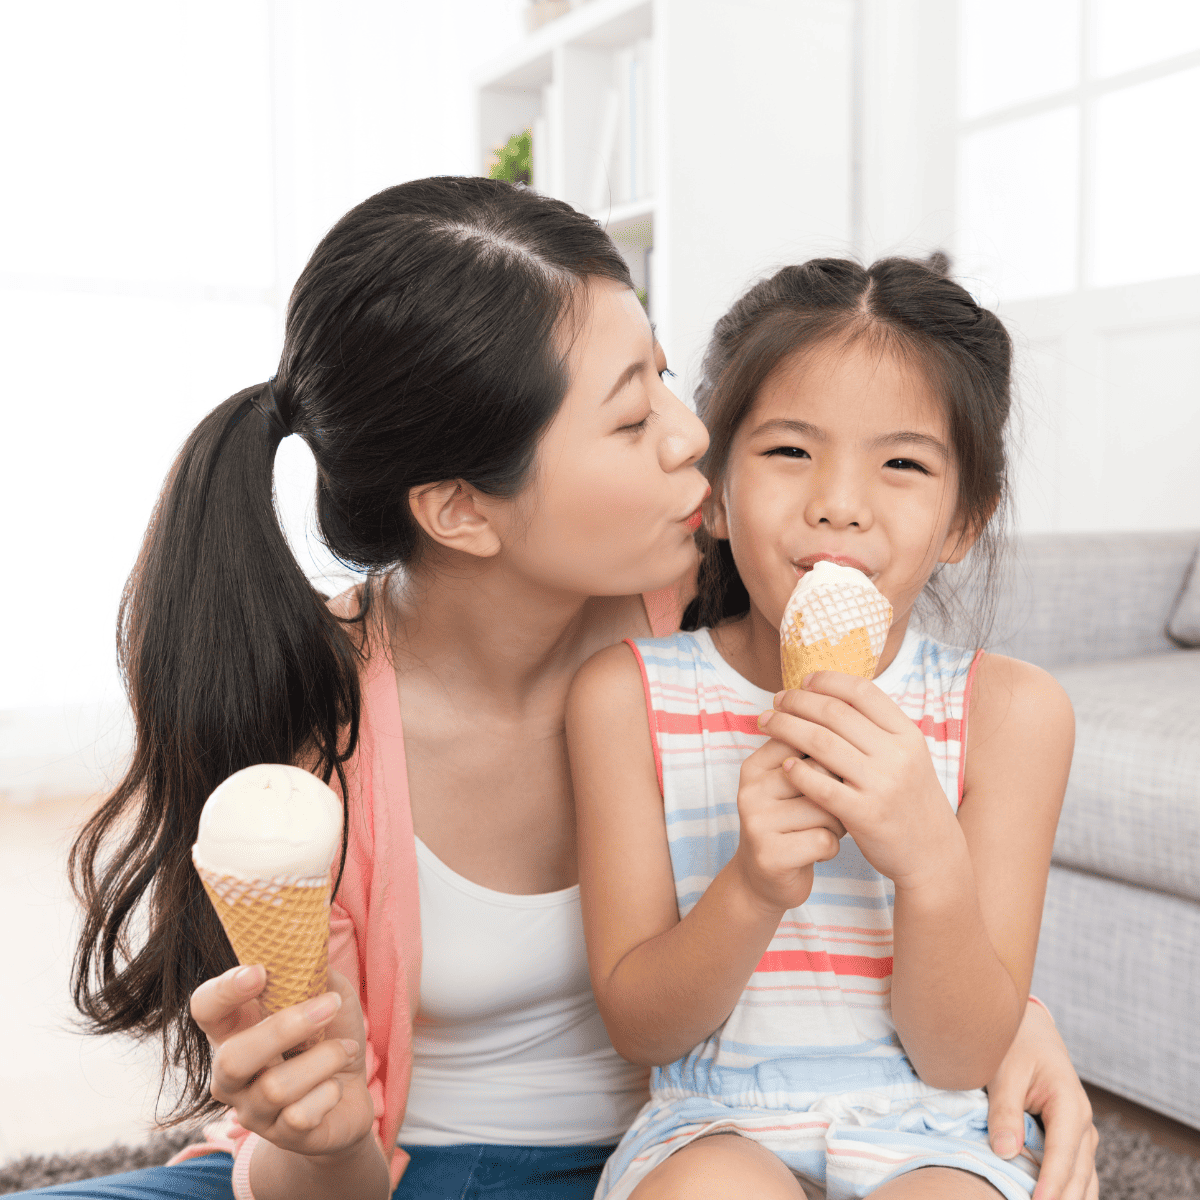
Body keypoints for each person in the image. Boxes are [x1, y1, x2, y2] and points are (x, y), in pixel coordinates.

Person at [29, 183, 1096, 1200]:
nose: (695, 437)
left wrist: (1015, 1011)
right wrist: (322, 1126)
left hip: (719, 1146)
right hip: (391, 1171)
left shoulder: (705, 594)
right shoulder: (308, 715)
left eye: (668, 377)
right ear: (460, 510)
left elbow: (875, 462)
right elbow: (321, 1169)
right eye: (633, 421)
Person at [566, 256, 1088, 1200]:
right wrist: (753, 884)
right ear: (717, 493)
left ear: (964, 520)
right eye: (789, 451)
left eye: (902, 464)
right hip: (711, 1117)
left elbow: (961, 1052)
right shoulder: (627, 696)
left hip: (933, 1125)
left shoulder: (1011, 714)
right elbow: (642, 1029)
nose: (839, 503)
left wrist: (932, 865)